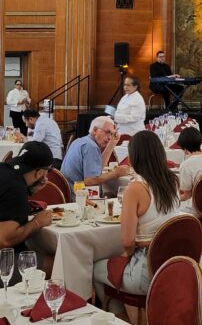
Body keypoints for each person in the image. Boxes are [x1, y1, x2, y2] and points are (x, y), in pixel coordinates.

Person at [93, 130, 181, 308]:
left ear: (133, 158)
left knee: (95, 268)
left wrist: (127, 254)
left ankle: (121, 322)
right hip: (175, 266)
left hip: (148, 271)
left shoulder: (135, 189)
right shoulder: (172, 180)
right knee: (114, 264)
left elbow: (127, 241)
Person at [0, 141, 53, 282]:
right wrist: (37, 222)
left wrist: (30, 190)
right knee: (59, 263)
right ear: (40, 172)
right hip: (2, 265)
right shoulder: (16, 189)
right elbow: (5, 239)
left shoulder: (4, 169)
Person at [61, 116, 126, 189]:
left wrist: (112, 144)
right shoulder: (91, 146)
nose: (110, 137)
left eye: (111, 134)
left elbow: (97, 168)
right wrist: (116, 173)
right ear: (95, 130)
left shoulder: (80, 141)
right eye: (107, 132)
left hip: (68, 192)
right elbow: (90, 181)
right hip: (77, 196)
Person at [177, 126, 202, 211]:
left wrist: (173, 199)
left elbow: (186, 195)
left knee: (170, 208)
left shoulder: (186, 165)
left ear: (184, 148)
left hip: (200, 206)